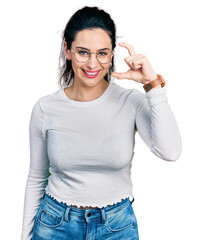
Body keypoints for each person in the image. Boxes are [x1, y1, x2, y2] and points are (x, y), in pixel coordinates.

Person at [21, 5, 182, 240]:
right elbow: (36, 177)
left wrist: (152, 85)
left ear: (113, 53)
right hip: (55, 225)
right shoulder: (45, 109)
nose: (93, 64)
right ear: (67, 50)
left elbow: (170, 151)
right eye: (83, 52)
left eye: (102, 53)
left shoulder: (131, 102)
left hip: (117, 227)